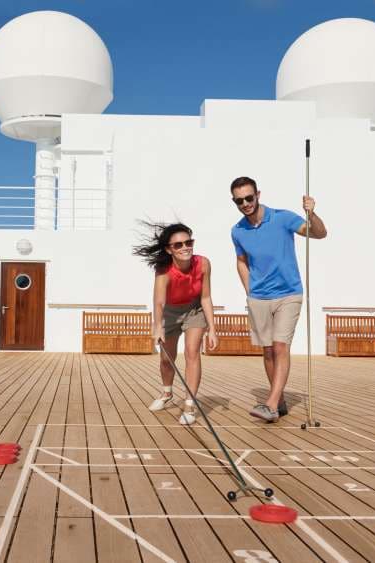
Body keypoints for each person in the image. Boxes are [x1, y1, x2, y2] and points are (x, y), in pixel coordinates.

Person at [230, 176, 327, 422]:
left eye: (249, 198)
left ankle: (270, 403)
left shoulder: (282, 218)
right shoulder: (237, 231)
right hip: (259, 297)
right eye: (239, 200)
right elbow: (241, 262)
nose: (245, 204)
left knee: (281, 346)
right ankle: (280, 400)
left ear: (258, 195)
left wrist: (312, 214)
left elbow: (320, 234)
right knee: (268, 351)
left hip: (289, 293)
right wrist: (249, 290)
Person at [132, 222, 218, 424]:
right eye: (178, 245)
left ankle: (189, 405)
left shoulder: (203, 263)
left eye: (188, 242)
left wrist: (213, 329)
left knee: (192, 353)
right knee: (166, 359)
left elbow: (206, 298)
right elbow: (159, 302)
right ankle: (166, 393)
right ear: (169, 249)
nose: (185, 247)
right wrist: (158, 327)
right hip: (170, 312)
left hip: (194, 310)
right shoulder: (164, 270)